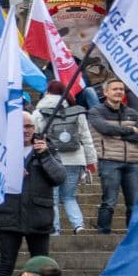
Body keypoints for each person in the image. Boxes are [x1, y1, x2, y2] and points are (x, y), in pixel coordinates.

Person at [0, 118, 66, 276]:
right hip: (9, 213)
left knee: (42, 265)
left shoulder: (46, 146)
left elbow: (59, 177)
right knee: (6, 264)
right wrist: (9, 172)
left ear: (35, 128)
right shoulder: (2, 147)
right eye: (20, 127)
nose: (25, 130)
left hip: (38, 214)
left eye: (29, 126)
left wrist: (45, 155)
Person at [34, 80, 98, 235]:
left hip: (52, 160)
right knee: (69, 196)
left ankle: (55, 231)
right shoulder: (77, 111)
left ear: (47, 92)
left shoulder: (39, 112)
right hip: (75, 159)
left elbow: (34, 135)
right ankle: (78, 226)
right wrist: (91, 161)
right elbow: (87, 138)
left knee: (53, 198)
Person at [90, 79, 138, 234]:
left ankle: (132, 237)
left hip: (133, 161)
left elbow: (111, 131)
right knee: (109, 202)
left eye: (121, 89)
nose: (119, 92)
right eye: (114, 89)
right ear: (105, 92)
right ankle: (103, 235)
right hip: (109, 161)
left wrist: (116, 133)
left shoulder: (131, 113)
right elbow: (104, 128)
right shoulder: (96, 111)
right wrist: (130, 131)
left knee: (134, 204)